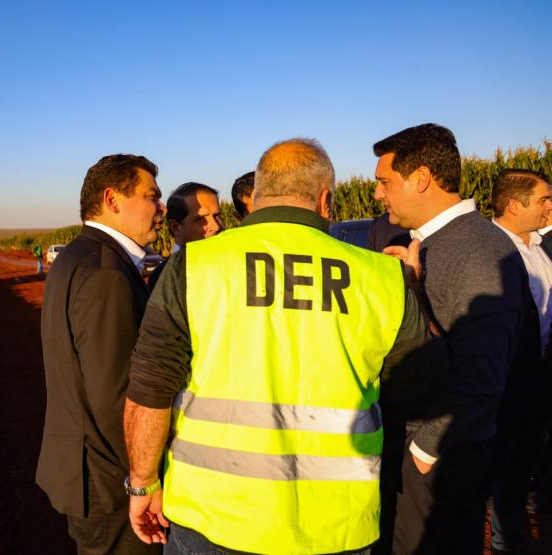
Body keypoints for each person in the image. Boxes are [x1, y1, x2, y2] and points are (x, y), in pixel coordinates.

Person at [123, 138, 442, 554]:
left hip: (212, 518)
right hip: (336, 526)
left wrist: (143, 482)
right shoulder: (383, 276)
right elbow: (419, 390)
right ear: (325, 200)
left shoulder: (195, 265)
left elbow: (150, 389)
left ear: (255, 196)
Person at [372, 123, 528, 554]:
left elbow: (482, 373)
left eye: (385, 182)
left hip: (441, 457)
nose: (378, 195)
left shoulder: (476, 250)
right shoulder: (438, 243)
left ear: (421, 178)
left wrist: (423, 451)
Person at [37, 153, 165, 555]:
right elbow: (116, 395)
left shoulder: (77, 256)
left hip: (86, 471)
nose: (161, 209)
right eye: (151, 197)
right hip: (110, 484)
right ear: (113, 200)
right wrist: (142, 481)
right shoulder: (108, 274)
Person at [489, 169, 552, 552]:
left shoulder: (539, 248)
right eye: (544, 199)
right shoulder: (494, 251)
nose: (550, 206)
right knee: (503, 475)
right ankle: (502, 543)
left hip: (539, 378)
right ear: (515, 205)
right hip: (510, 384)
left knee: (521, 469)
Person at [148, 182, 223, 291]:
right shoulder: (163, 279)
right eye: (201, 219)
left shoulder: (231, 264)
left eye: (217, 216)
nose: (216, 226)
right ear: (175, 227)